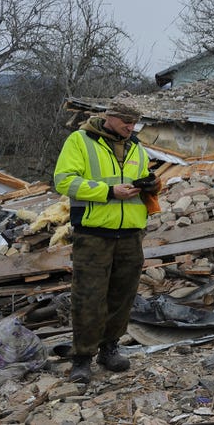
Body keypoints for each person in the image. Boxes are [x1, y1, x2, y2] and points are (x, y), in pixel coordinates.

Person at [53, 101, 159, 383]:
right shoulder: (80, 141)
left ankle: (109, 348)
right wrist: (109, 191)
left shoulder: (136, 146)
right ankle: (82, 357)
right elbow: (64, 181)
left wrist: (151, 184)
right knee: (88, 297)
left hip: (131, 234)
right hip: (93, 233)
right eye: (125, 120)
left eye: (134, 121)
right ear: (109, 117)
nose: (130, 126)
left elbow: (145, 178)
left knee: (122, 296)